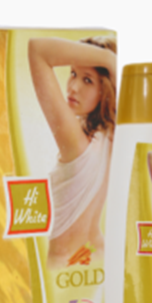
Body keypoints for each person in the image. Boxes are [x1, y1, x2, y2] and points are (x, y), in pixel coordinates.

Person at [28, 36, 117, 268]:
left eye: (87, 80)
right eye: (73, 73)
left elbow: (37, 49)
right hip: (101, 258)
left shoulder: (77, 142)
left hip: (65, 265)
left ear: (105, 90)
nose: (73, 87)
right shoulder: (113, 135)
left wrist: (108, 58)